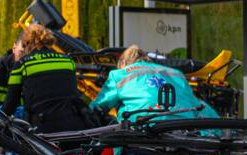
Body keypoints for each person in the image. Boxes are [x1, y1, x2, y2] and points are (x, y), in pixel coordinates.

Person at [1, 24, 93, 133]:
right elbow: (73, 94)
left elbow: (10, 104)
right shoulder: (68, 61)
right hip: (74, 124)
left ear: (27, 44)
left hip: (44, 129)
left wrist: (0, 124)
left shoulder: (22, 64)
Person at [90, 45, 219, 122]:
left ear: (123, 63)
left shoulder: (119, 74)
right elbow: (196, 105)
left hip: (144, 128)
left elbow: (97, 107)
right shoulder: (176, 73)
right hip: (182, 126)